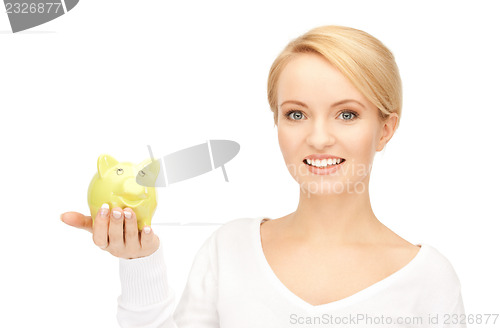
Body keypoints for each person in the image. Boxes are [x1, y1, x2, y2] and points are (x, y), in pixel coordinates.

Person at [61, 25, 466, 327]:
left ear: (385, 129)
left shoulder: (428, 278)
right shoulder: (229, 249)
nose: (318, 138)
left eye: (346, 114)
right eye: (296, 114)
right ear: (277, 123)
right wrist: (139, 261)